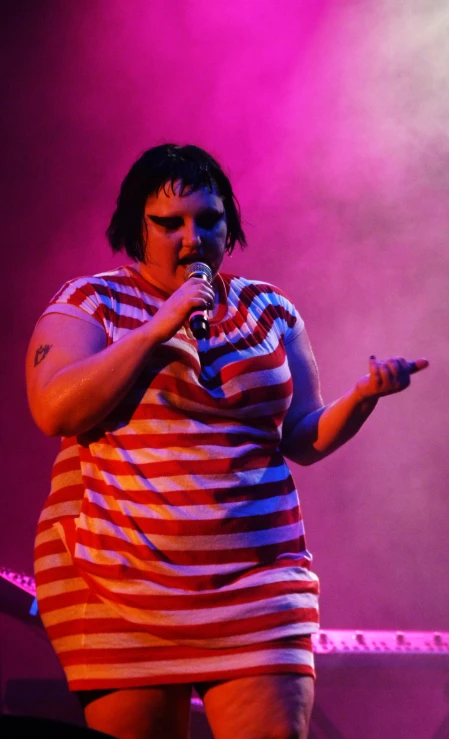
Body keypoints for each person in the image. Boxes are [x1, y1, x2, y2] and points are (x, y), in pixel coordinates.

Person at [26, 143, 428, 739]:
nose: (192, 239)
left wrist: (363, 396)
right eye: (170, 223)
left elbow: (301, 437)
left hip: (258, 585)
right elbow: (55, 409)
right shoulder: (91, 302)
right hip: (120, 585)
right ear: (135, 227)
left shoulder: (268, 309)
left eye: (208, 220)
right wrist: (159, 328)